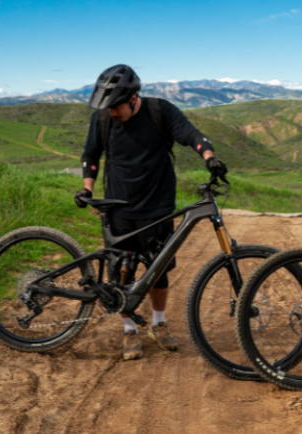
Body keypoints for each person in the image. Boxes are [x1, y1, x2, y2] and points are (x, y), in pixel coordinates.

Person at [75, 64, 228, 361]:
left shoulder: (161, 112)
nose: (112, 113)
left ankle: (158, 323)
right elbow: (90, 155)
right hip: (119, 206)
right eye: (107, 108)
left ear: (133, 99)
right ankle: (129, 329)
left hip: (158, 207)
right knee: (123, 269)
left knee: (159, 271)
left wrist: (210, 158)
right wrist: (87, 188)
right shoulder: (102, 118)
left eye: (116, 107)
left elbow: (191, 135)